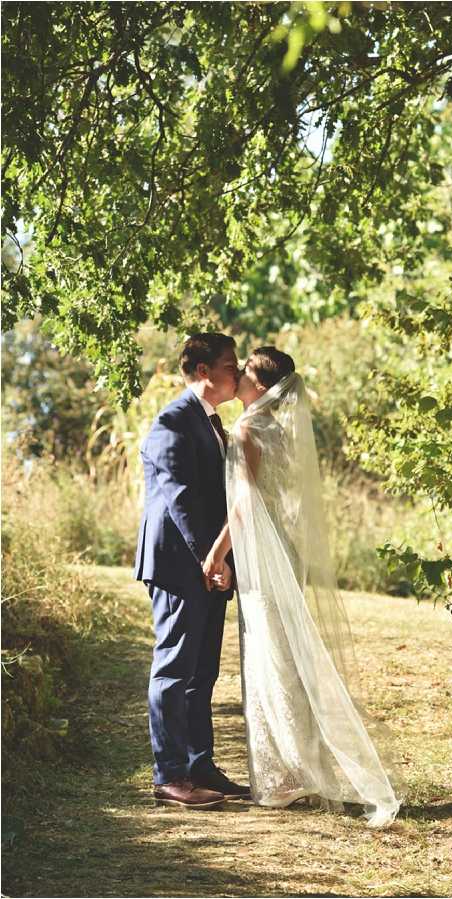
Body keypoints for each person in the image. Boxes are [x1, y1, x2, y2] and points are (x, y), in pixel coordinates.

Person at [203, 347, 401, 828]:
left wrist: (216, 552)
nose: (238, 379)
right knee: (284, 659)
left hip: (261, 556)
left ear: (260, 384)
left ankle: (283, 778)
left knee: (272, 660)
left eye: (244, 373)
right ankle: (294, 771)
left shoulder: (249, 429)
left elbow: (247, 503)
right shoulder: (277, 429)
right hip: (280, 553)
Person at [134, 332, 250, 808]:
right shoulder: (172, 422)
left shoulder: (212, 422)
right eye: (230, 364)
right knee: (174, 669)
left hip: (208, 564)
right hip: (178, 565)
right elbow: (181, 500)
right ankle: (170, 775)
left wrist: (223, 559)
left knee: (202, 673)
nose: (238, 372)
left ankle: (201, 765)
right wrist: (211, 555)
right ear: (203, 371)